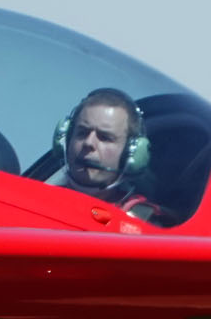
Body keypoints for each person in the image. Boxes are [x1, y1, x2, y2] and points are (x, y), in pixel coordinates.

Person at [47, 88, 164, 222]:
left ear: (131, 153)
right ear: (66, 138)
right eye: (82, 132)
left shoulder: (143, 226)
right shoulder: (36, 200)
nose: (89, 143)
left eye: (105, 137)